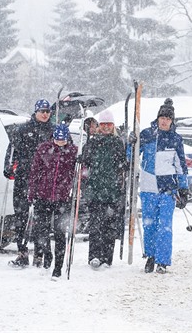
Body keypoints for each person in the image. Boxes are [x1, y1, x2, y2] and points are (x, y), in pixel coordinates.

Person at [135, 98, 189, 274]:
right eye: (162, 117)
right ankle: (150, 256)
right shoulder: (146, 134)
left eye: (168, 118)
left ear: (172, 121)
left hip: (168, 190)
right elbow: (132, 155)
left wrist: (184, 189)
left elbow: (181, 166)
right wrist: (130, 142)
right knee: (149, 224)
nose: (164, 121)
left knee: (165, 226)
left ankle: (162, 261)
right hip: (148, 188)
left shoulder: (175, 139)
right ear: (157, 118)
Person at [4, 99, 54, 267]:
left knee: (41, 218)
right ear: (36, 112)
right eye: (42, 111)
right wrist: (9, 167)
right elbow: (12, 150)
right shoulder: (24, 129)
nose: (45, 114)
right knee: (21, 216)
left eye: (48, 111)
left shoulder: (53, 131)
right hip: (24, 177)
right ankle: (22, 252)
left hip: (45, 180)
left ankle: (39, 254)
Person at [27, 124, 78, 280]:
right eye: (57, 140)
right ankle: (47, 255)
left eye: (62, 140)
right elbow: (35, 171)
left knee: (60, 232)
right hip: (43, 195)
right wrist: (32, 191)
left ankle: (58, 266)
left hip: (62, 198)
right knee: (41, 230)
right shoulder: (44, 149)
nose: (60, 143)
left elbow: (79, 173)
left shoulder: (72, 152)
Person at [81, 110, 127, 269]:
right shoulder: (93, 142)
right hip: (96, 189)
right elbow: (86, 161)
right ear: (99, 126)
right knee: (95, 225)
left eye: (109, 124)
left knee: (109, 226)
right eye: (103, 124)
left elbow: (123, 163)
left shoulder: (117, 142)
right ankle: (94, 255)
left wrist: (125, 161)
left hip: (112, 190)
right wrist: (83, 155)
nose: (106, 127)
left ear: (113, 126)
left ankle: (107, 258)